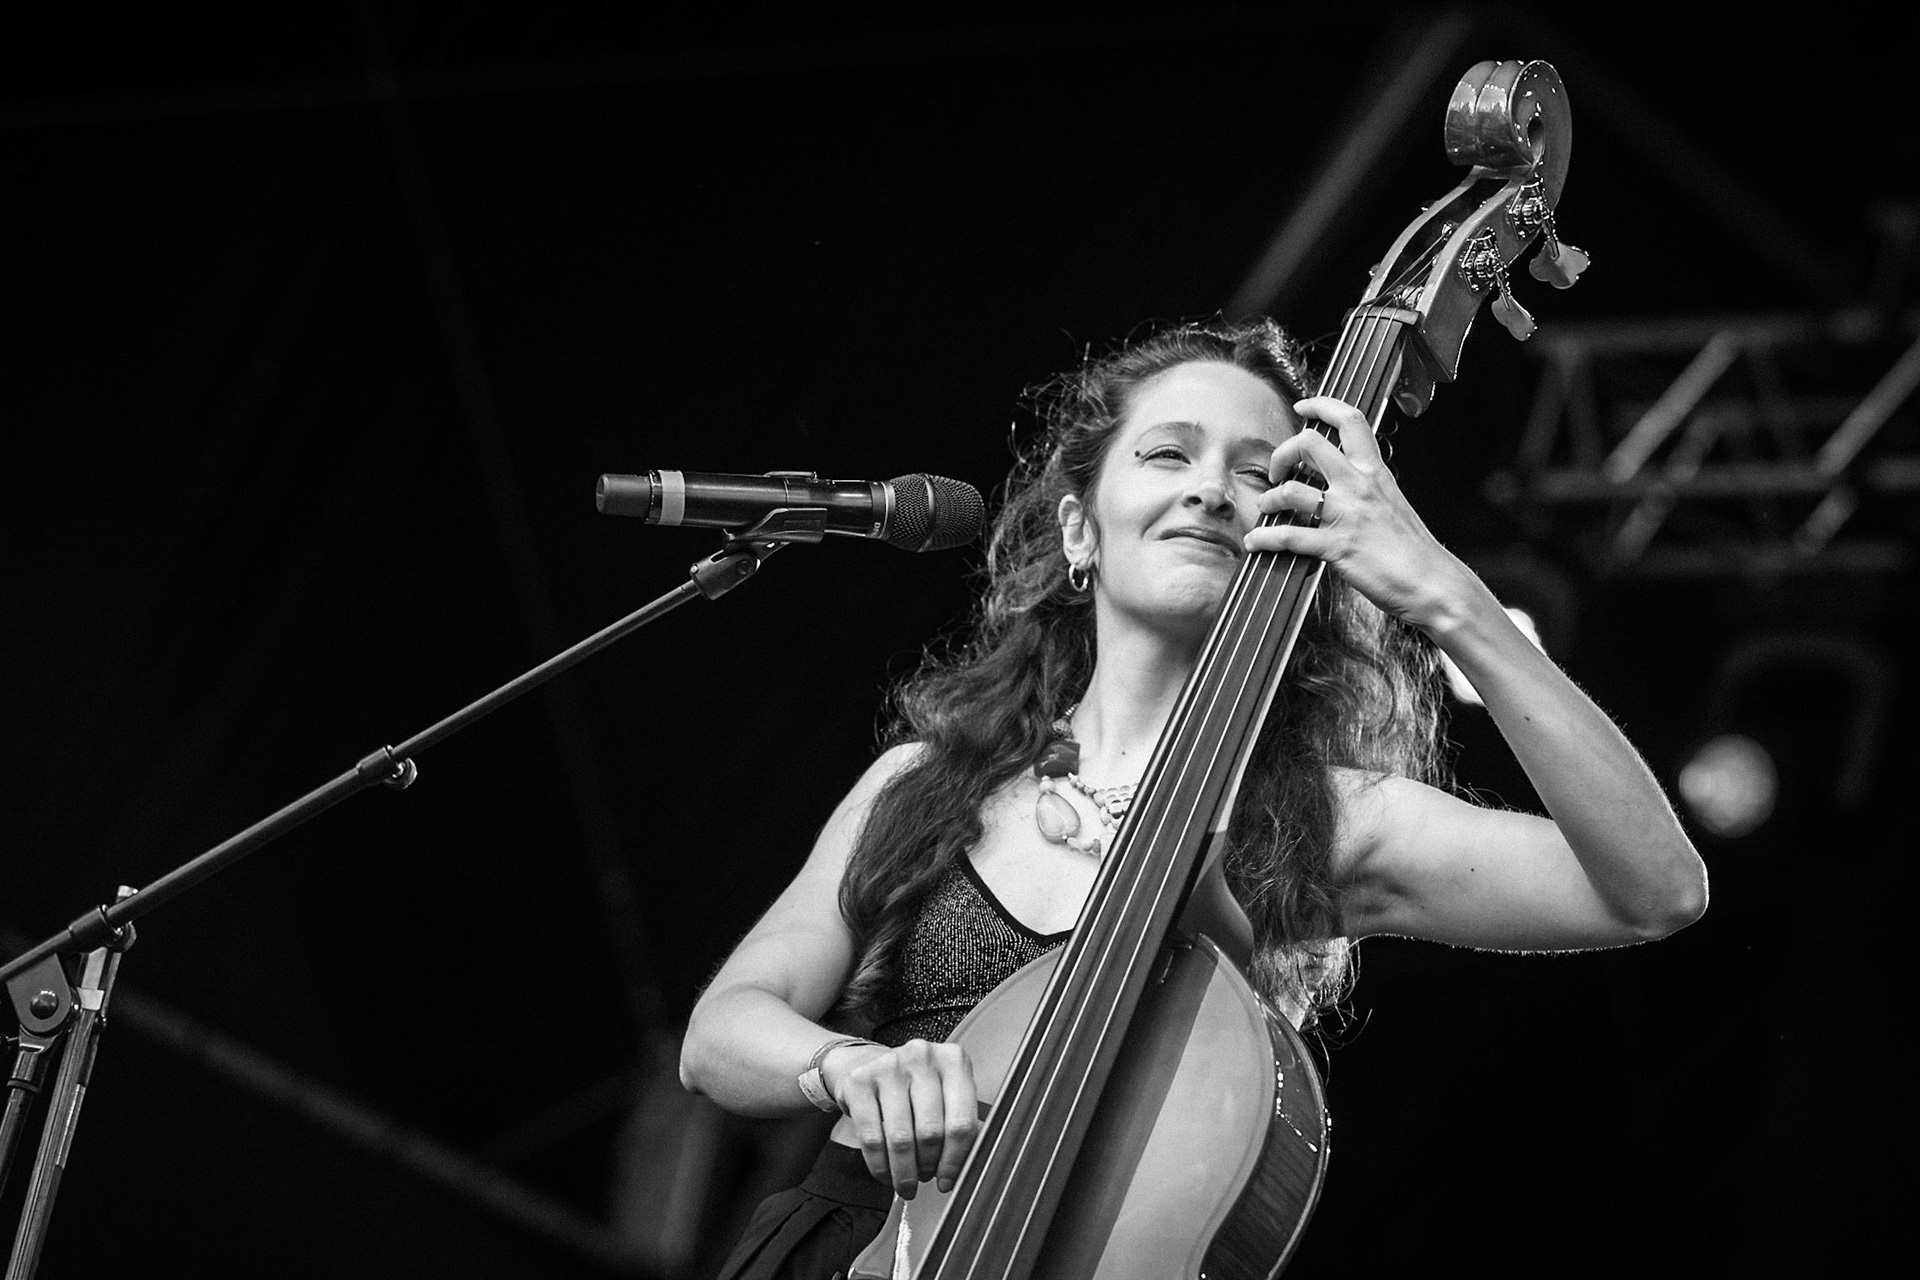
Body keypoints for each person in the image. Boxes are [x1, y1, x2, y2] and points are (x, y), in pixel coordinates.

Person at [678, 316, 1708, 1279]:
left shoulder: (1333, 816)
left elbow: (1650, 890)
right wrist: (844, 1066)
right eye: (1168, 454)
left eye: (1258, 474)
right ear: (1080, 530)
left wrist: (1447, 593)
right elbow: (722, 1032)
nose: (1213, 490)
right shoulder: (928, 779)